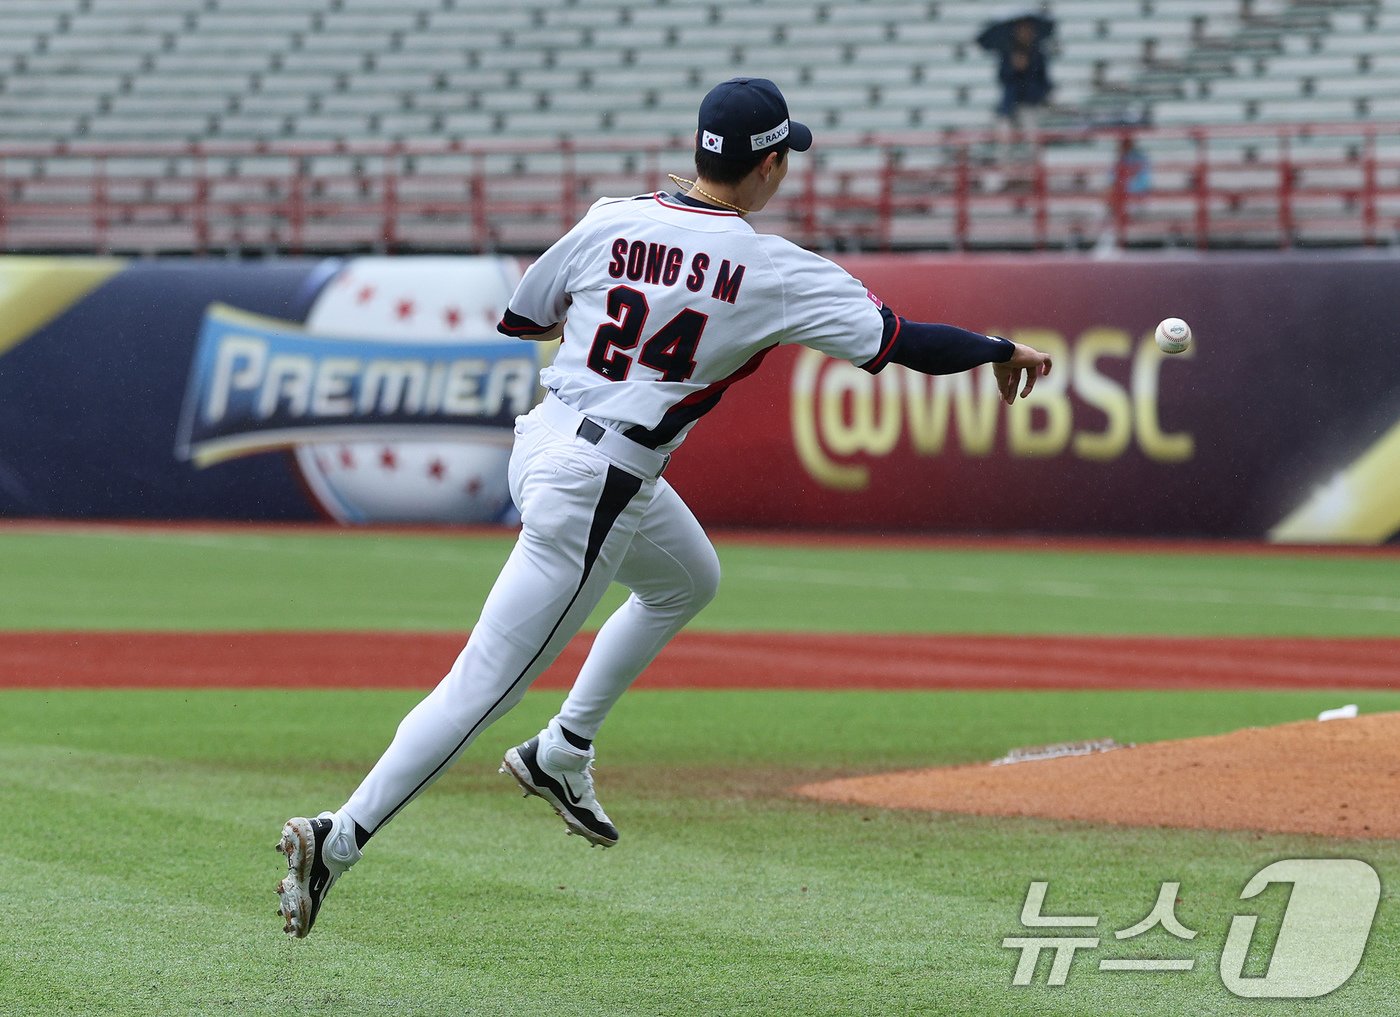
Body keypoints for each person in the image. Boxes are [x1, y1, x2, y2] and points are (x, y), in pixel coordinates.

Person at [273, 76, 1054, 939]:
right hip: (598, 480)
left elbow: (524, 316)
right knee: (481, 687)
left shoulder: (611, 217)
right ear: (765, 166)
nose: (785, 171)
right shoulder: (771, 267)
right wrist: (999, 349)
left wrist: (632, 311)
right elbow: (904, 341)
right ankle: (337, 838)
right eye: (782, 156)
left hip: (547, 442)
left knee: (688, 580)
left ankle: (563, 749)